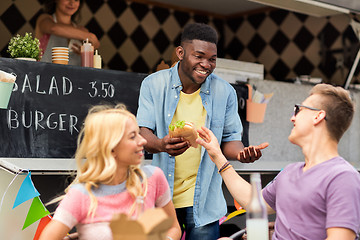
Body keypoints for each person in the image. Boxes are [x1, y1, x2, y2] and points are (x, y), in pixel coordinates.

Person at [136, 22, 268, 240]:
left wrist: (242, 154)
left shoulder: (225, 92)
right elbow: (143, 133)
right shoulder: (153, 84)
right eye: (199, 56)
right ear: (180, 53)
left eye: (212, 59)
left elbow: (230, 142)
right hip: (162, 201)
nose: (206, 64)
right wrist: (161, 145)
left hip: (205, 202)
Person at [197, 83, 360, 240]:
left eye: (298, 110)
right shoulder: (290, 172)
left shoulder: (342, 177)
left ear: (318, 116)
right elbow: (252, 201)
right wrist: (217, 155)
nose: (292, 118)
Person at [39, 104, 181, 240]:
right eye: (132, 136)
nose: (143, 141)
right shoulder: (81, 195)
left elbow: (174, 228)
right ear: (111, 148)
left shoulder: (152, 177)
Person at [35, 0, 100, 65]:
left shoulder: (83, 31)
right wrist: (90, 37)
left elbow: (96, 45)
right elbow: (54, 28)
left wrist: (86, 52)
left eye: (76, 0)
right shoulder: (44, 19)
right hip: (45, 74)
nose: (72, 3)